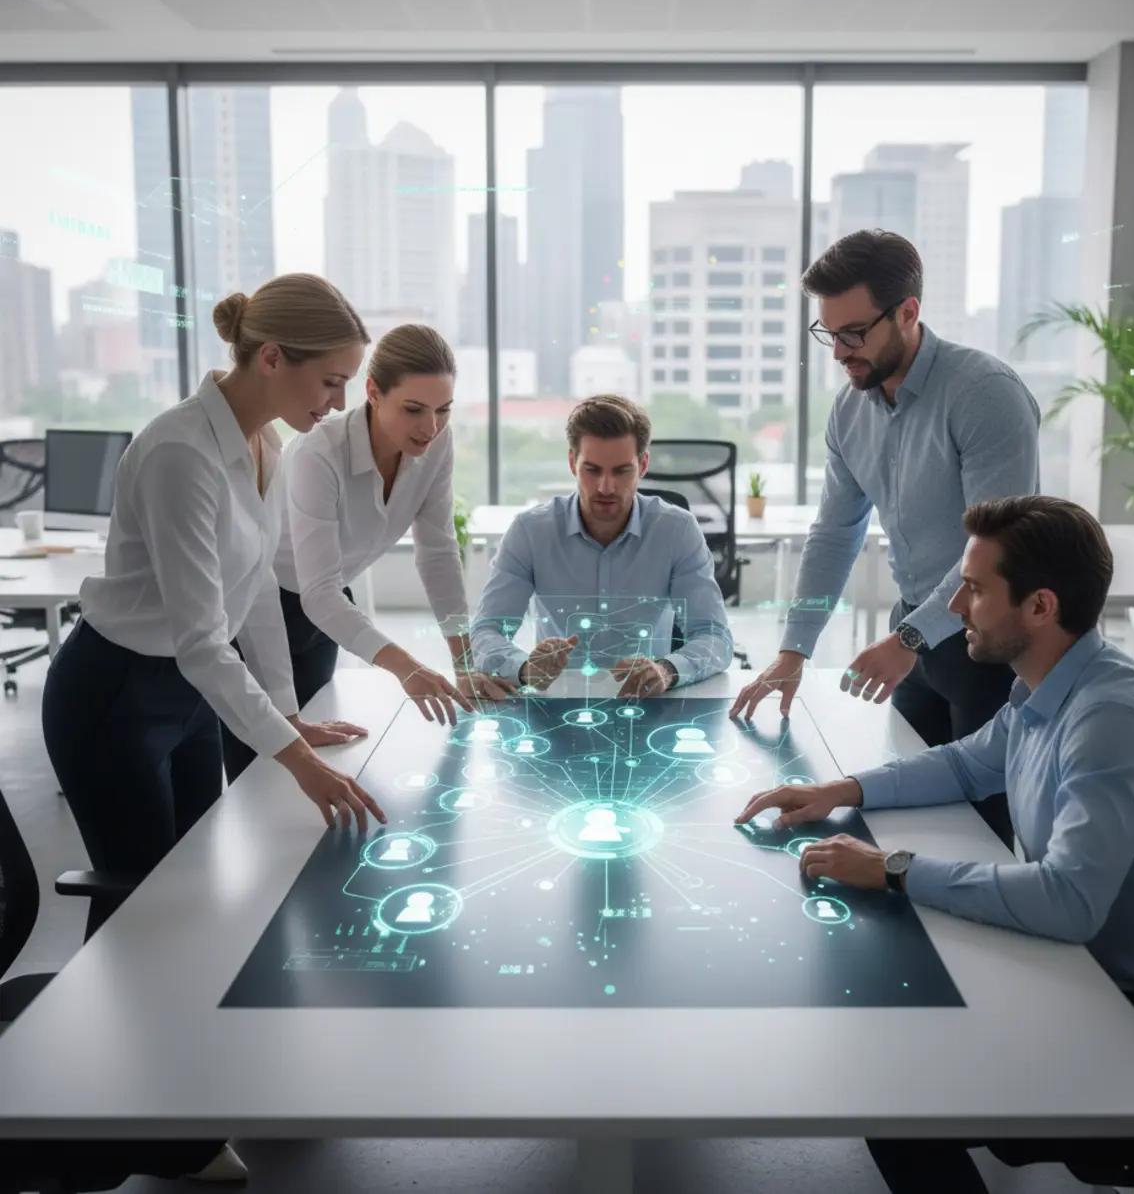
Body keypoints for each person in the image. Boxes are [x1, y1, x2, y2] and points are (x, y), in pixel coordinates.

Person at [735, 494, 1134, 1194]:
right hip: (1084, 971)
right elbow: (967, 763)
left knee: (888, 1086)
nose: (954, 608)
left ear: (1039, 607)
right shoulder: (1050, 683)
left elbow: (1069, 901)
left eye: (974, 589)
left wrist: (891, 867)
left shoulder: (1109, 718)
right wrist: (841, 790)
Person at [43, 274, 388, 912]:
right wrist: (302, 766)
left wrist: (286, 716)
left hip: (193, 694)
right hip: (116, 697)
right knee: (141, 910)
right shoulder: (181, 452)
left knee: (195, 891)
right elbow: (202, 639)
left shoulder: (267, 443)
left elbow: (254, 589)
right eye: (332, 380)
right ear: (273, 357)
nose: (339, 403)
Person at [730, 229, 1041, 849]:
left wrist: (909, 637)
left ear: (908, 312)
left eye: (855, 333)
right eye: (829, 334)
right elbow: (833, 535)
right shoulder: (850, 410)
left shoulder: (985, 394)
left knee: (991, 830)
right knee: (909, 814)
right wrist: (794, 648)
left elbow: (998, 548)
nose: (841, 351)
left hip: (991, 644)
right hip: (919, 635)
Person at [220, 323, 504, 781]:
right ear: (372, 392)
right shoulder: (319, 452)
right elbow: (317, 593)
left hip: (326, 615)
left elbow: (437, 552)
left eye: (443, 410)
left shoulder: (436, 443)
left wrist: (464, 664)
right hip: (260, 618)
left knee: (328, 764)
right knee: (259, 779)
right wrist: (407, 667)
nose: (430, 427)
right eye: (413, 409)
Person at [470, 395, 733, 694]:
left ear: (643, 464)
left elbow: (715, 637)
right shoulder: (529, 532)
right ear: (572, 462)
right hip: (560, 703)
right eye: (592, 470)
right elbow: (485, 631)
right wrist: (524, 668)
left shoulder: (677, 530)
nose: (605, 487)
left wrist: (667, 669)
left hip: (648, 704)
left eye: (621, 471)